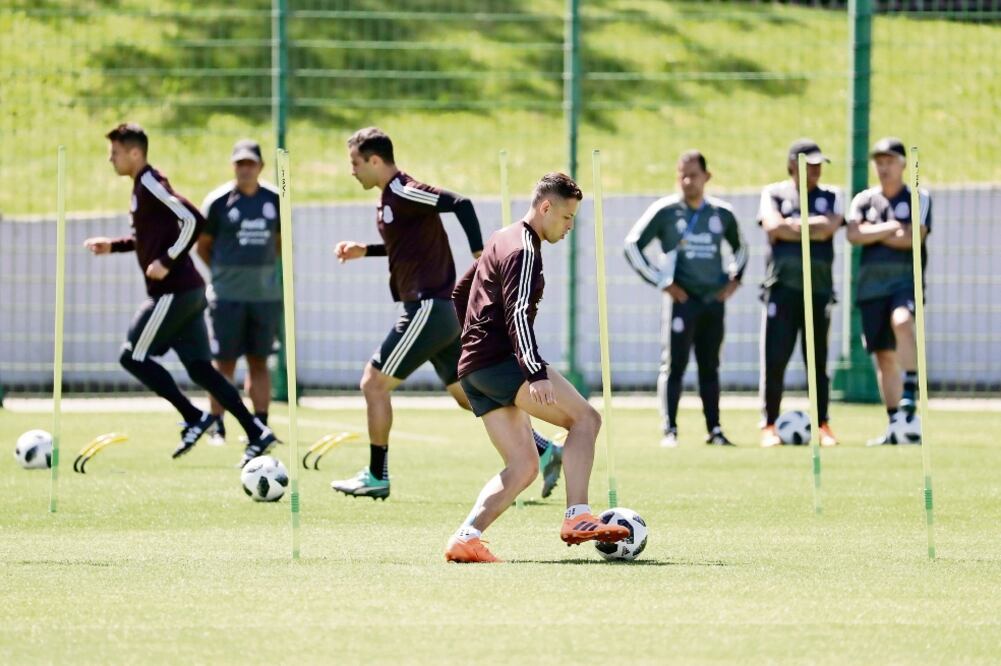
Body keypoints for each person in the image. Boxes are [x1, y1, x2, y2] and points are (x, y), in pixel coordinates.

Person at [332, 127, 562, 500]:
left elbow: (460, 203)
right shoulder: (389, 200)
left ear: (375, 160)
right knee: (467, 394)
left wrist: (478, 252)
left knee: (373, 384)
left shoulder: (403, 189)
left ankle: (377, 475)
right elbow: (407, 247)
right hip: (439, 312)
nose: (352, 171)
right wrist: (366, 250)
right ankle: (546, 449)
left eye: (355, 163)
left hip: (427, 307)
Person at [444, 173, 630, 563]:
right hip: (502, 361)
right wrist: (534, 371)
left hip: (474, 368)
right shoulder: (525, 250)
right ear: (545, 207)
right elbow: (515, 313)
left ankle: (466, 537)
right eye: (566, 217)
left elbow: (461, 293)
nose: (570, 227)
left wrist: (473, 342)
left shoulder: (499, 236)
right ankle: (578, 516)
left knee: (524, 464)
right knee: (586, 421)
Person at [83, 123, 276, 466]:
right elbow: (153, 237)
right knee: (202, 369)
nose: (110, 159)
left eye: (114, 153)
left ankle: (193, 416)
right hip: (188, 291)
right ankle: (256, 430)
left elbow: (192, 218)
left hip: (174, 291)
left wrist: (167, 260)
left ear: (134, 153)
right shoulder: (141, 187)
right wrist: (113, 246)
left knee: (133, 357)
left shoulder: (149, 182)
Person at [624, 150, 747, 448]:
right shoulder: (666, 211)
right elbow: (632, 246)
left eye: (693, 174)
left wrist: (734, 280)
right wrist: (662, 281)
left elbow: (741, 248)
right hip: (682, 301)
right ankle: (670, 430)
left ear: (707, 176)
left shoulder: (721, 214)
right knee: (674, 365)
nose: (687, 181)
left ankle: (714, 429)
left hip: (712, 301)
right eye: (682, 175)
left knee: (710, 366)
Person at [757, 139, 844, 448]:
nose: (817, 170)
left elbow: (831, 226)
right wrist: (810, 227)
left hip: (818, 290)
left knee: (817, 361)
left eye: (820, 165)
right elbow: (773, 226)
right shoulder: (773, 193)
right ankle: (769, 425)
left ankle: (822, 423)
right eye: (811, 164)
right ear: (793, 164)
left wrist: (793, 226)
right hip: (781, 289)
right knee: (775, 359)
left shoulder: (832, 195)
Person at [846, 137, 931, 446]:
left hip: (903, 281)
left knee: (902, 321)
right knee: (882, 356)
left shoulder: (919, 197)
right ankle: (896, 423)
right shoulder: (864, 199)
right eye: (878, 162)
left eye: (889, 161)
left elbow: (913, 238)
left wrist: (877, 233)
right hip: (871, 287)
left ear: (903, 164)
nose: (883, 167)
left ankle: (910, 388)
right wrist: (889, 228)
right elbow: (853, 234)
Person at [197, 139, 281, 445]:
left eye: (251, 163)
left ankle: (260, 426)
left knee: (259, 360)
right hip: (227, 296)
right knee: (224, 362)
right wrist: (223, 274)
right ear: (233, 166)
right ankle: (218, 424)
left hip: (264, 297)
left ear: (260, 166)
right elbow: (202, 245)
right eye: (239, 163)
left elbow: (280, 242)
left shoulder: (275, 199)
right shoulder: (218, 202)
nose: (245, 169)